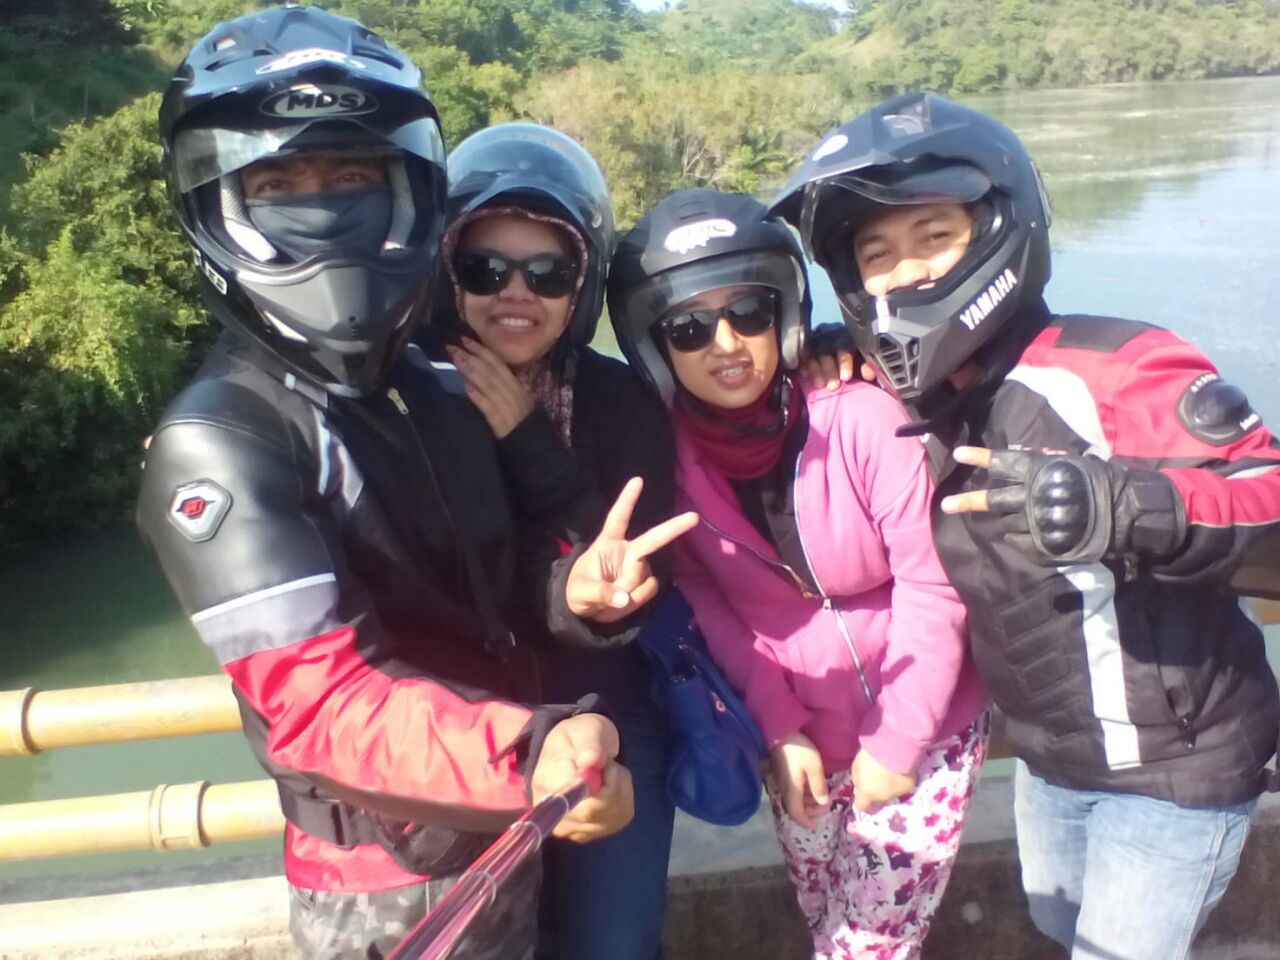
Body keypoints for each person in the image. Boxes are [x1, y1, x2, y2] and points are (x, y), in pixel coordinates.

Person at [136, 9, 694, 959]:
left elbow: (496, 582)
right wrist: (527, 751)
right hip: (392, 871)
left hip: (514, 801)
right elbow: (322, 708)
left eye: (352, 177)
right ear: (219, 202)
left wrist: (575, 594)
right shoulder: (223, 440)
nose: (322, 207)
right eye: (279, 183)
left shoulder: (427, 382)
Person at [770, 92, 1280, 960]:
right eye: (875, 254)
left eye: (933, 236)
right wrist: (826, 347)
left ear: (1001, 228)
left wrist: (1117, 504)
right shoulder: (914, 398)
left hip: (1177, 767)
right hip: (1050, 762)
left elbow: (1263, 492)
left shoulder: (1112, 367)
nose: (902, 274)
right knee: (1057, 928)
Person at [608, 188, 990, 960]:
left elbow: (932, 584)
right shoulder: (668, 456)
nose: (725, 343)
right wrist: (780, 727)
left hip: (922, 725)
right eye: (688, 327)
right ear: (655, 343)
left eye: (748, 311)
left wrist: (899, 742)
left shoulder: (861, 418)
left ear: (783, 312)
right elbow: (707, 599)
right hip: (800, 730)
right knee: (823, 913)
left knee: (866, 947)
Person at [423, 123, 677, 960]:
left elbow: (634, 572)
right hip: (466, 723)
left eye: (547, 273)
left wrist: (528, 438)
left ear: (581, 288)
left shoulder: (618, 401)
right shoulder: (406, 394)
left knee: (611, 946)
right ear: (446, 273)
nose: (515, 293)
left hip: (606, 713)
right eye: (484, 269)